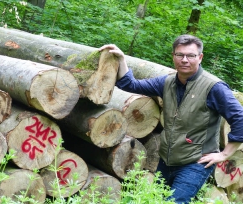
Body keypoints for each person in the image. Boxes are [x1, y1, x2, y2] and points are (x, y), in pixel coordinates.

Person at [99, 34, 243, 204]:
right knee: (156, 200)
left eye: (191, 55)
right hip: (166, 161)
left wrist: (225, 154)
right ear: (173, 56)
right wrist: (122, 59)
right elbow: (131, 85)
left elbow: (240, 120)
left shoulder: (214, 87)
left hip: (196, 162)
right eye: (180, 55)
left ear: (200, 57)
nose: (184, 60)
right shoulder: (167, 82)